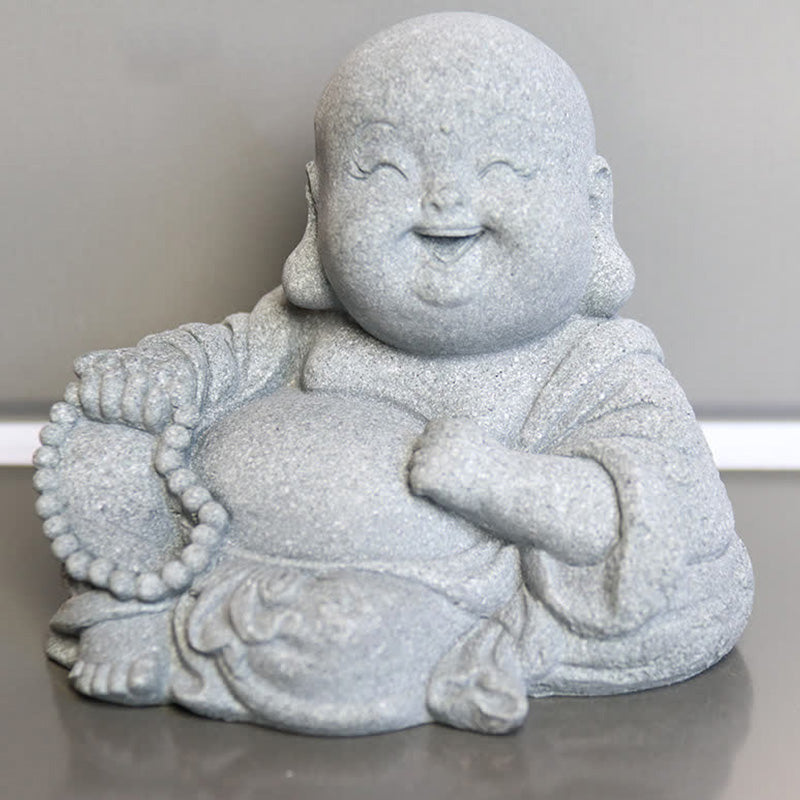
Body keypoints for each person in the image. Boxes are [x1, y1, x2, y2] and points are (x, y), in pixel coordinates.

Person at [35, 13, 753, 735]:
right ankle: (146, 609)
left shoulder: (598, 370)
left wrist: (495, 482)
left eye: (503, 169)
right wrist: (157, 377)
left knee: (354, 644)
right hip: (225, 549)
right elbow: (216, 359)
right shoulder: (294, 330)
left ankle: (189, 641)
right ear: (318, 208)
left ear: (591, 207)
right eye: (384, 170)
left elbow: (660, 514)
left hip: (421, 597)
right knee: (122, 464)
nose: (444, 198)